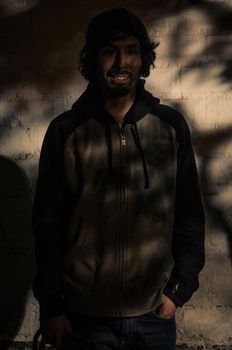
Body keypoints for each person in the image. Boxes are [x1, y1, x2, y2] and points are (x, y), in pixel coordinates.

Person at [32, 7, 205, 350]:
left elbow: (189, 216)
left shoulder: (170, 126)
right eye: (109, 52)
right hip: (84, 319)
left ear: (143, 60)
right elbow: (46, 226)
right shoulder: (66, 131)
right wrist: (52, 306)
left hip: (153, 316)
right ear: (93, 60)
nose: (120, 63)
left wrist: (177, 291)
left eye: (130, 51)